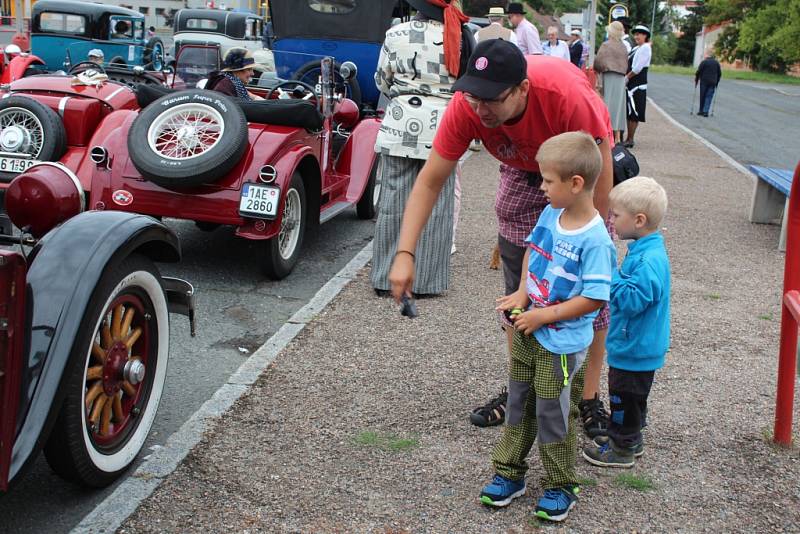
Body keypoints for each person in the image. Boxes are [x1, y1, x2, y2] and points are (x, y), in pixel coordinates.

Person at [387, 38, 615, 437]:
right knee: (520, 293)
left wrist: (600, 233)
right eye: (474, 97)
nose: (480, 108)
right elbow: (430, 181)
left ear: (522, 89)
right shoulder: (468, 106)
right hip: (520, 167)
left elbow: (599, 164)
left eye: (492, 99)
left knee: (590, 289)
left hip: (574, 169)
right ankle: (521, 392)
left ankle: (589, 398)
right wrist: (405, 252)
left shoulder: (565, 96)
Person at [481, 131, 615, 520]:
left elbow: (595, 298)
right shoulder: (549, 214)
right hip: (528, 330)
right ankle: (509, 473)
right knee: (519, 403)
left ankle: (561, 485)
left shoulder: (596, 240)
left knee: (553, 413)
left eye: (548, 181)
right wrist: (523, 293)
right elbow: (532, 253)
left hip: (560, 345)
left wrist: (545, 315)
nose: (541, 188)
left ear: (575, 184)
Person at [371, 0, 470, 297]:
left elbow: (382, 80)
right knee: (438, 204)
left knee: (393, 201)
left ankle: (385, 278)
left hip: (400, 124)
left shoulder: (395, 33)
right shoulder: (459, 35)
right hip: (444, 127)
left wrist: (405, 97)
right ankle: (427, 281)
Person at [582, 176, 670, 467]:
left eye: (616, 215)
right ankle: (633, 437)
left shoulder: (647, 261)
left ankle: (621, 449)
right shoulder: (648, 251)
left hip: (634, 347)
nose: (612, 220)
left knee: (623, 398)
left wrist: (611, 274)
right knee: (634, 398)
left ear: (639, 220)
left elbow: (633, 301)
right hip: (639, 344)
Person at [594, 21, 629, 143]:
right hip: (620, 79)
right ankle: (618, 137)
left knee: (607, 105)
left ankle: (606, 135)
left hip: (609, 77)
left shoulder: (606, 45)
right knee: (618, 108)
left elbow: (598, 63)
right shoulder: (623, 46)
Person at [623, 25, 651, 149]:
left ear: (645, 36)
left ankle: (630, 138)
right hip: (632, 84)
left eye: (639, 34)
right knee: (630, 111)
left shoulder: (645, 48)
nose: (636, 36)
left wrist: (627, 77)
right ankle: (628, 138)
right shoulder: (636, 48)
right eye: (635, 34)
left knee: (634, 112)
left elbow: (638, 68)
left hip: (637, 84)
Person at [695, 51, 722, 117]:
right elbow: (719, 73)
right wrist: (717, 82)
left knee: (703, 96)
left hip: (704, 81)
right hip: (713, 82)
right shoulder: (716, 63)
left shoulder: (704, 62)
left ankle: (701, 111)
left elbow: (698, 71)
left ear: (707, 55)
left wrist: (696, 80)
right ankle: (705, 111)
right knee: (709, 96)